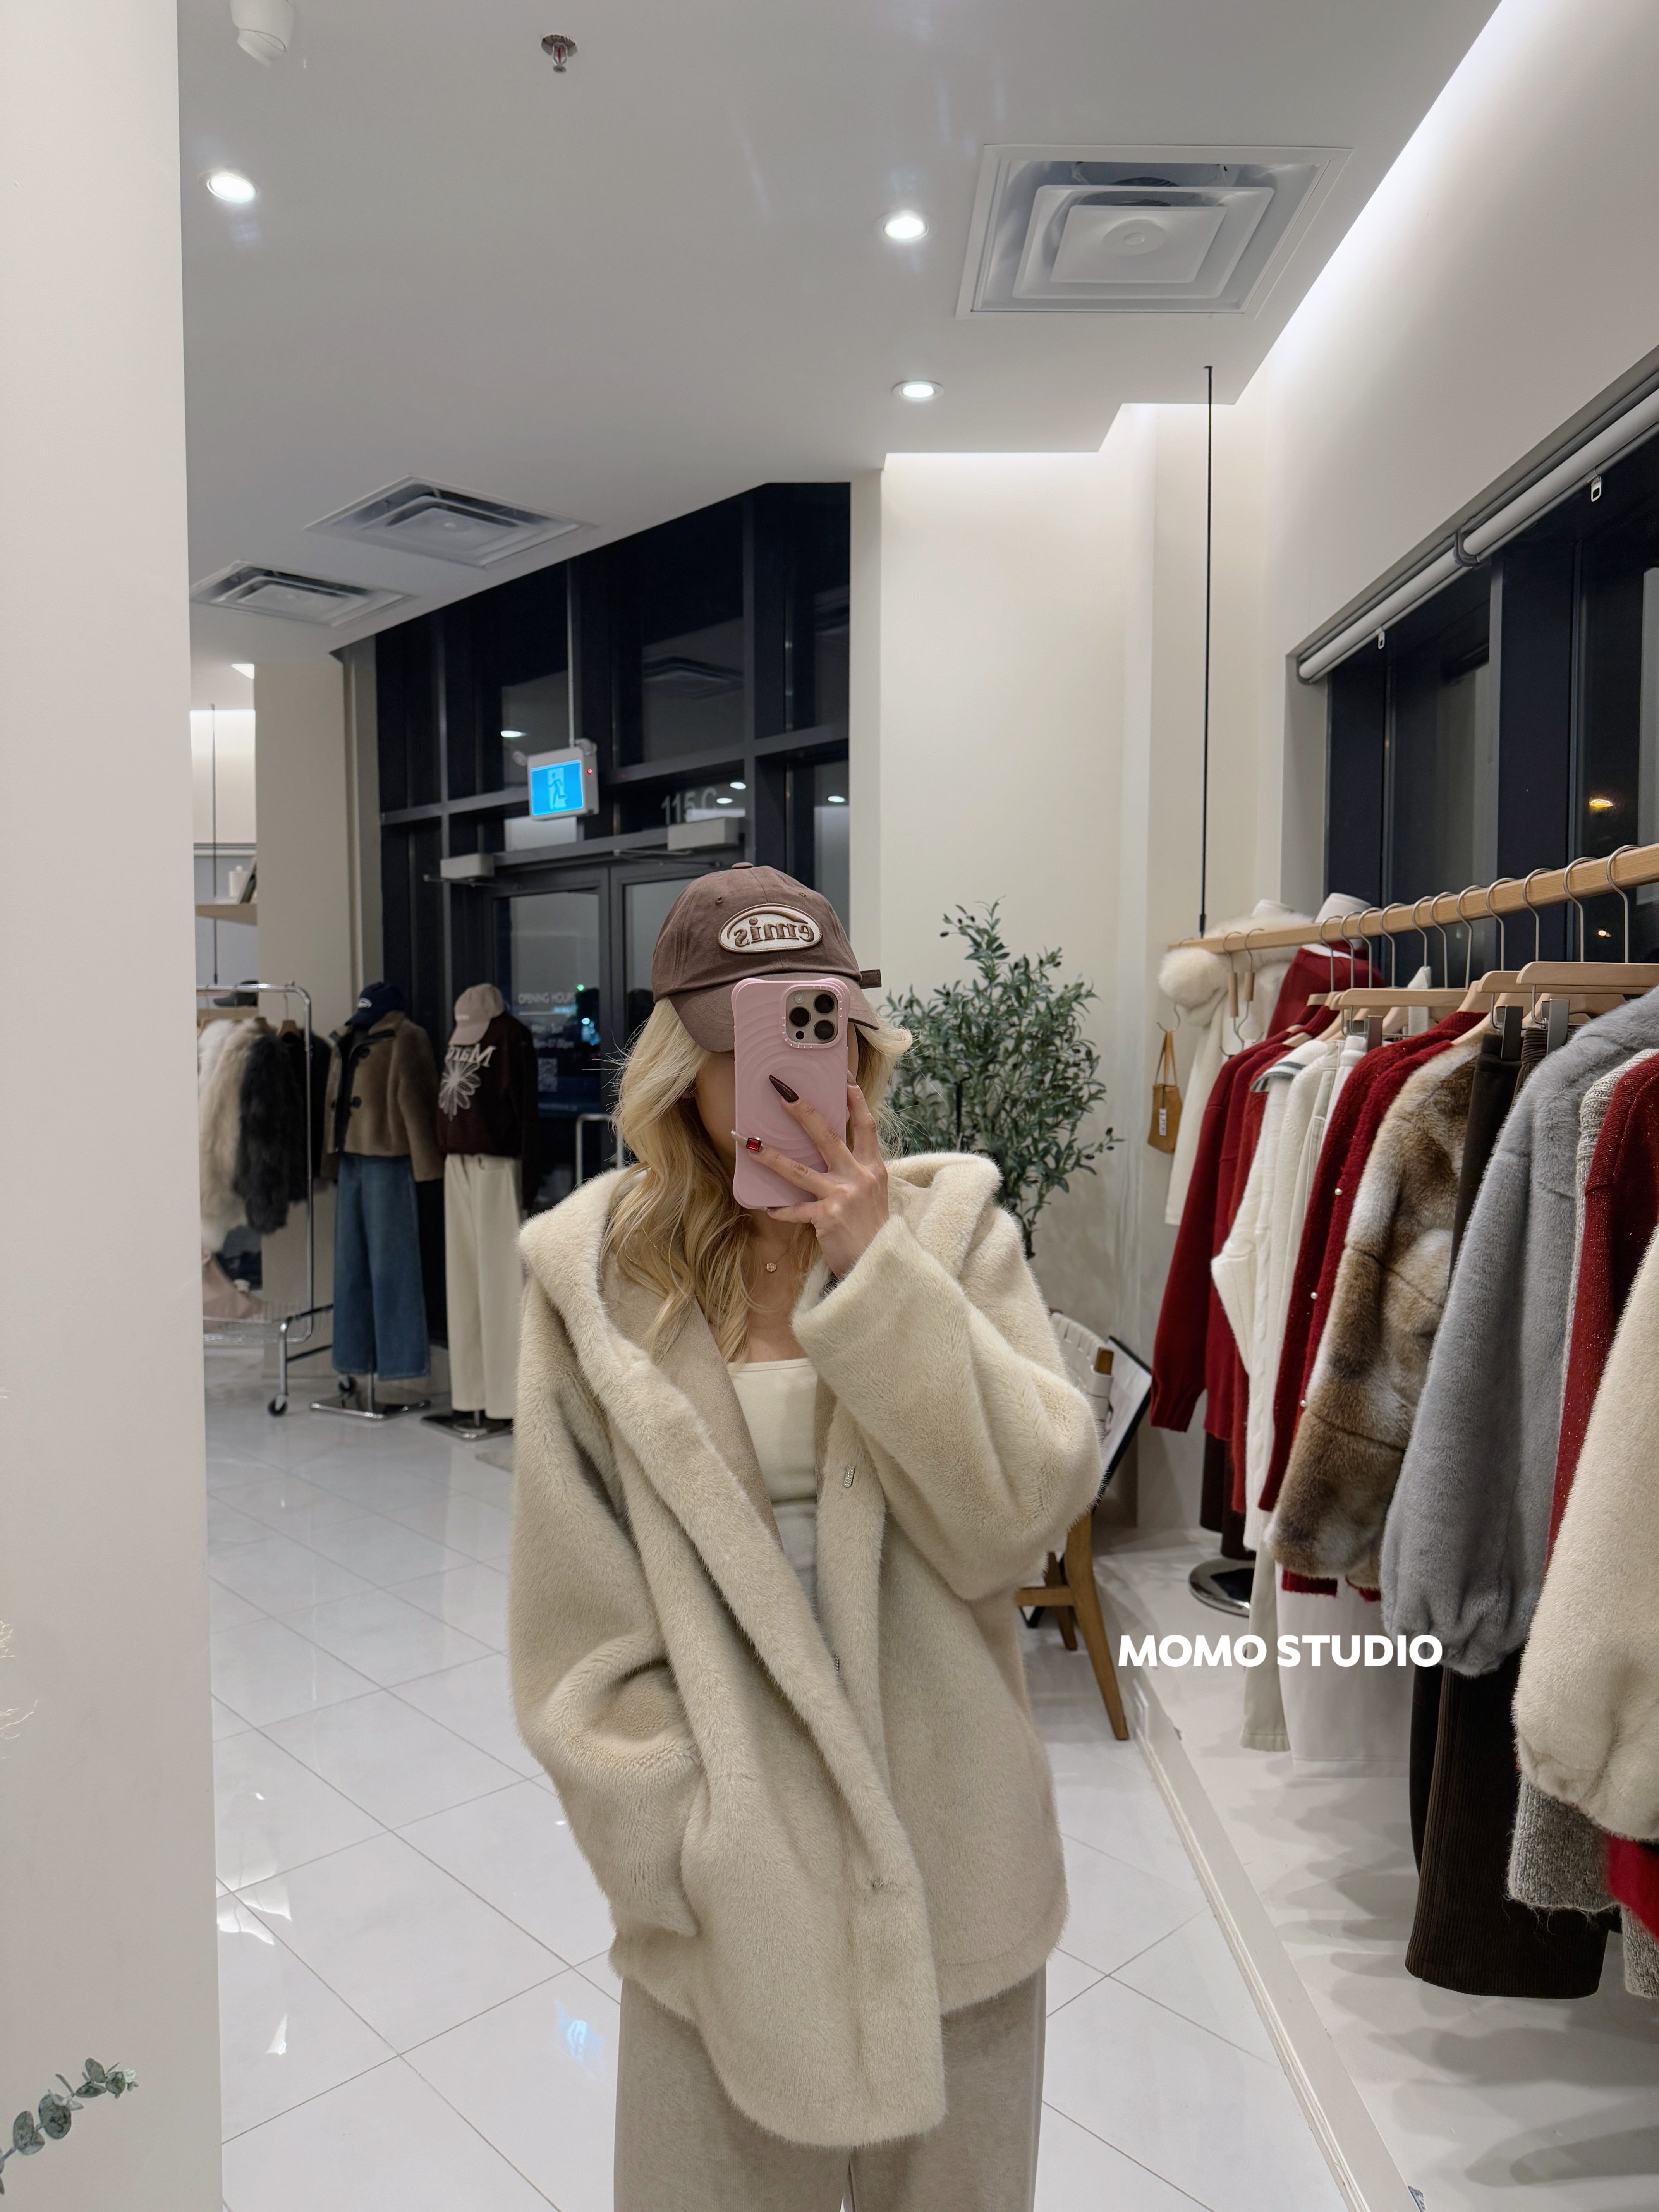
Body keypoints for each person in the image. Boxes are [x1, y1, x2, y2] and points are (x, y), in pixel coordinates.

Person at [508, 863, 1099, 2212]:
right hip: (730, 1900)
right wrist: (684, 1849)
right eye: (743, 1045)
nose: (782, 1079)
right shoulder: (595, 1283)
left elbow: (1016, 1524)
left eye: (813, 1032)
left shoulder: (952, 1234)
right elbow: (573, 1630)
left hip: (954, 1862)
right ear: (680, 1068)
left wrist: (877, 1272)